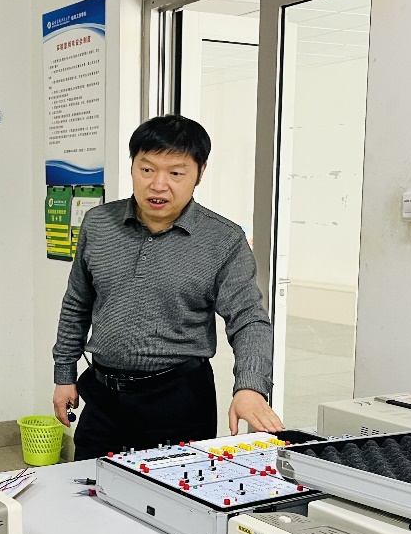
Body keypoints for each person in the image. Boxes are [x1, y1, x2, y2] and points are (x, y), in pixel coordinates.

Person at [52, 114, 284, 461]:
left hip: (178, 399)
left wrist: (250, 386)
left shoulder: (223, 239)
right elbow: (77, 302)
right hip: (102, 397)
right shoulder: (99, 223)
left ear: (199, 173)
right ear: (133, 166)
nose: (158, 185)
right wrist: (64, 373)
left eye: (175, 173)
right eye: (147, 169)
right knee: (90, 484)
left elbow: (248, 319)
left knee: (172, 491)